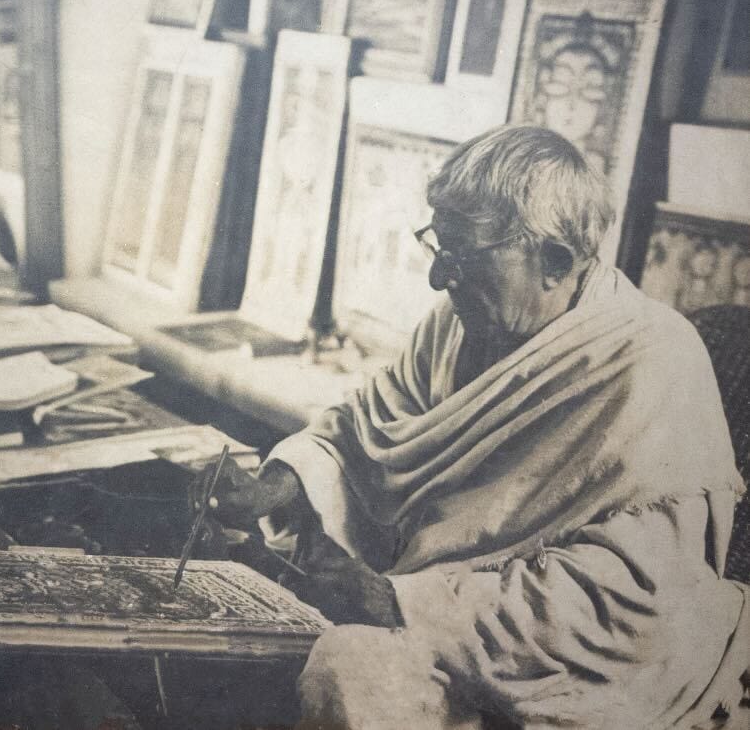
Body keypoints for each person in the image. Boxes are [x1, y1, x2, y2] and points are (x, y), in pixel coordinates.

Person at [197, 127, 748, 729]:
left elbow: (632, 603)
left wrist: (401, 603)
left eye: (461, 257)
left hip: (584, 660)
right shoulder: (460, 321)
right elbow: (366, 425)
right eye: (438, 246)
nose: (438, 278)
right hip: (441, 612)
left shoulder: (653, 361)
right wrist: (277, 484)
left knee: (349, 669)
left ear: (555, 262)